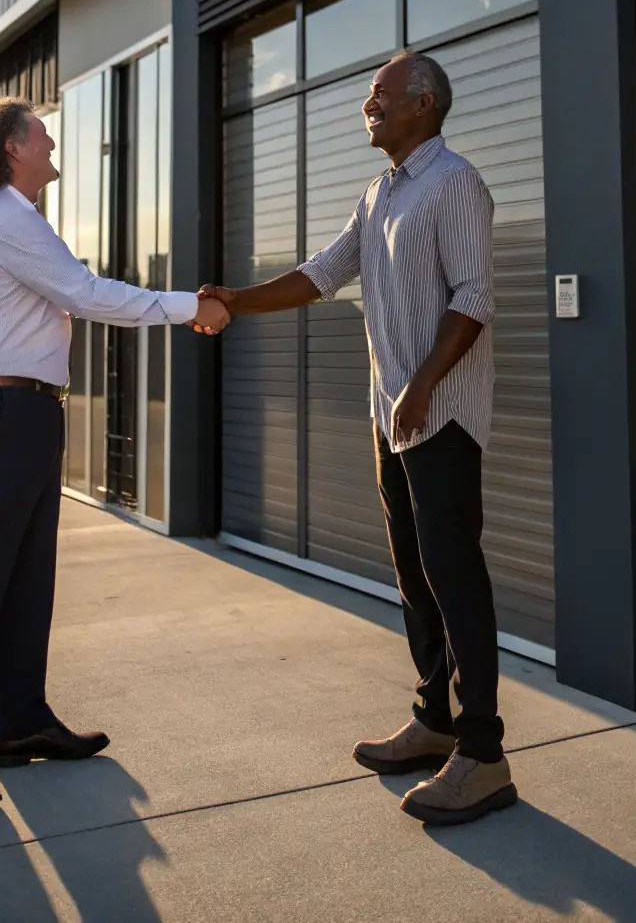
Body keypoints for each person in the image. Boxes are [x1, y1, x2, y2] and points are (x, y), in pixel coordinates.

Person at [200, 51, 516, 827]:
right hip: (392, 418)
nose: (367, 104)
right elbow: (320, 274)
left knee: (455, 577)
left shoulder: (457, 184)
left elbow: (474, 295)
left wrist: (423, 384)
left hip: (437, 417)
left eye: (381, 93)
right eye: (369, 93)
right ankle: (434, 718)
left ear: (424, 103)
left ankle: (483, 753)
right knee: (414, 578)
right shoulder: (377, 195)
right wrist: (232, 299)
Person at [0, 97, 229, 810]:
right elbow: (82, 293)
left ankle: (21, 725)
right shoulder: (7, 219)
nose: (54, 143)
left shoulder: (14, 219)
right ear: (13, 147)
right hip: (3, 414)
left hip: (22, 412)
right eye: (43, 134)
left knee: (24, 580)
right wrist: (188, 306)